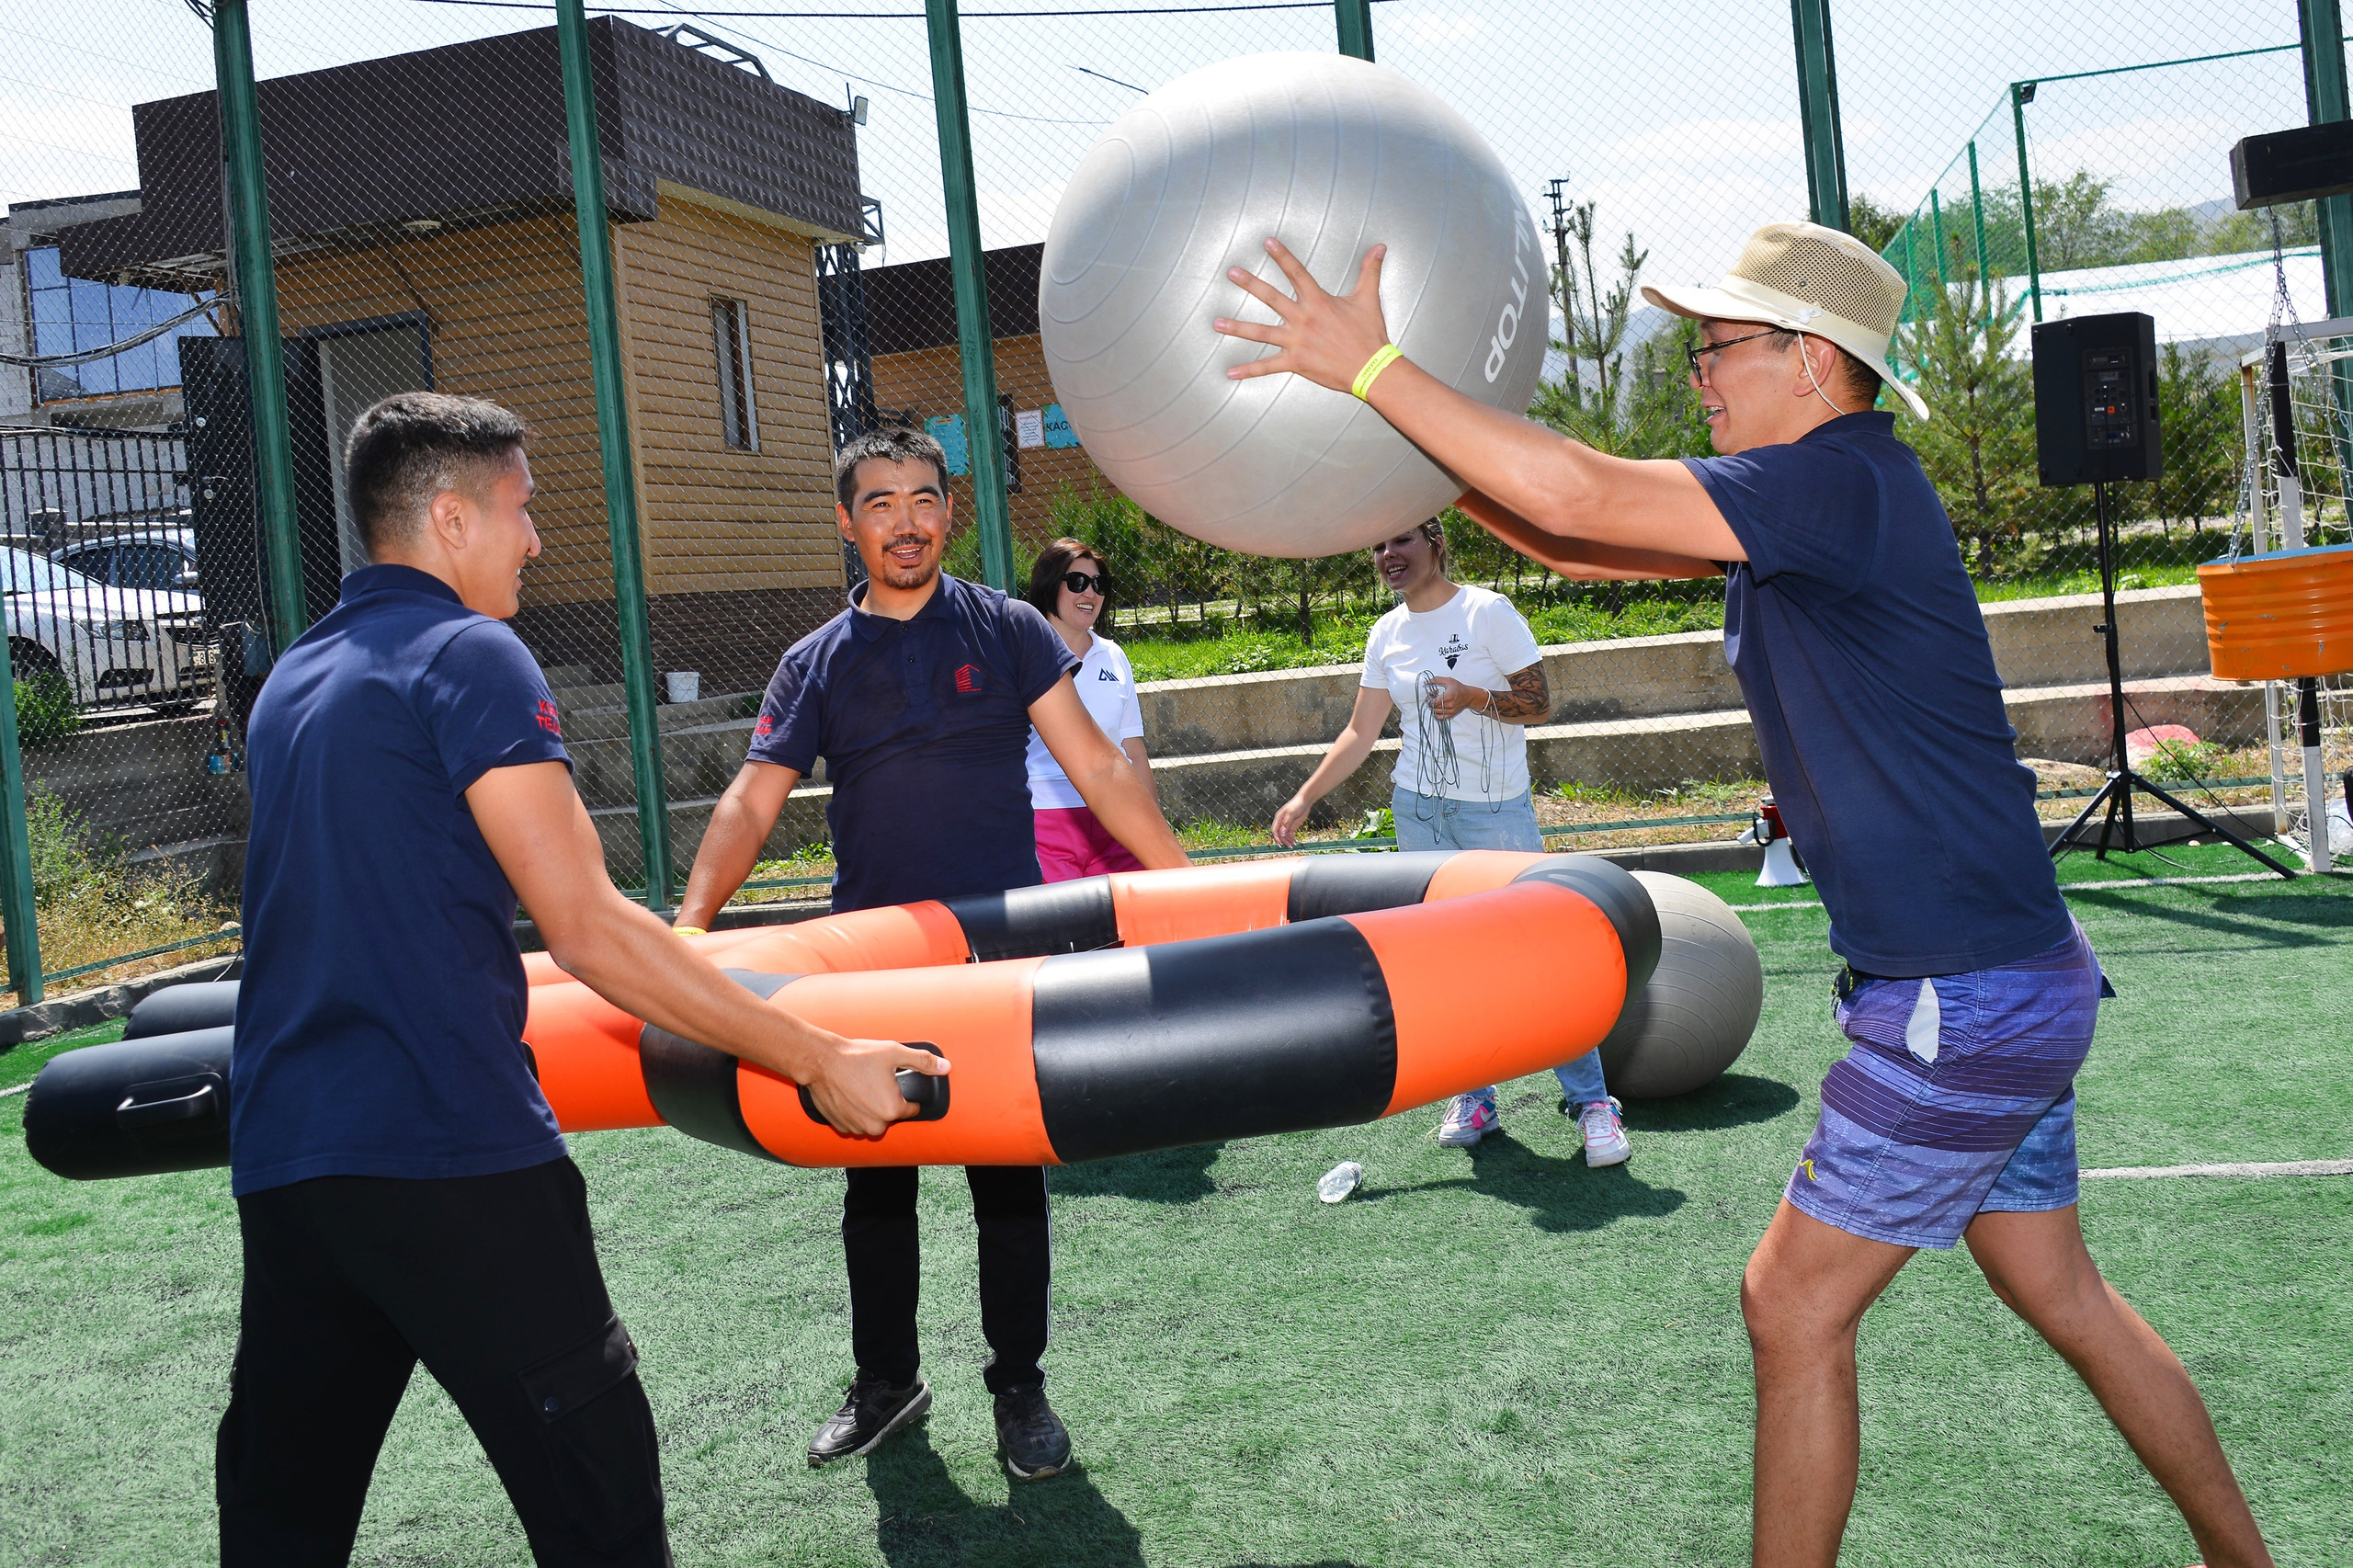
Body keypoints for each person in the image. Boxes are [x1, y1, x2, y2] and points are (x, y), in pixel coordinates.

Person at [1213, 222, 2274, 1568]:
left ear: (1814, 363)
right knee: (2058, 1287)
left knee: (1789, 1305)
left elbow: (1584, 491)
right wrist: (1408, 464)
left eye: (1717, 347)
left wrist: (1369, 367)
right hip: (2006, 972)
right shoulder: (1818, 498)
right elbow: (1581, 535)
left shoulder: (1836, 485)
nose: (1698, 373)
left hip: (1962, 987)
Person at [221, 392, 938, 1567]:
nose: (536, 540)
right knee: (601, 1501)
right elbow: (589, 927)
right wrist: (816, 1057)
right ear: (450, 520)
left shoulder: (294, 677)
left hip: (294, 1164)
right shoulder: (467, 652)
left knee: (281, 1518)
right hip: (451, 1152)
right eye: (520, 509)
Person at [672, 426, 1188, 1483]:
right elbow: (751, 799)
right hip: (873, 965)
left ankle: (1020, 1385)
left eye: (921, 499)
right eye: (878, 502)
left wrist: (1185, 883)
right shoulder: (812, 661)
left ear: (949, 509)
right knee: (878, 1184)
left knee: (1008, 1182)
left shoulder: (1005, 629)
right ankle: (885, 1380)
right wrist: (687, 930)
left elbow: (1095, 764)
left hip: (996, 961)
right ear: (845, 519)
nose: (903, 522)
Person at [1268, 517, 1629, 1165]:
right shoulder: (1388, 633)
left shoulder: (1487, 611)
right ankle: (1475, 1096)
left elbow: (1539, 703)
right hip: (1419, 814)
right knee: (1450, 959)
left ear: (1435, 543)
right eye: (1378, 545)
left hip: (1494, 814)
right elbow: (1361, 732)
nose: (1388, 554)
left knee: (1544, 954)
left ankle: (1593, 1104)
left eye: (1402, 540)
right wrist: (1305, 796)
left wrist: (1472, 697)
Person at [1021, 537, 1160, 881]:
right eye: (1077, 582)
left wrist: (1152, 826)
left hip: (1118, 815)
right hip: (1047, 820)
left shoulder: (1113, 655)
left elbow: (1134, 751)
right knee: (1059, 931)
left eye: (1099, 584)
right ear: (1050, 585)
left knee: (1137, 926)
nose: (1090, 593)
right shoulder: (1020, 655)